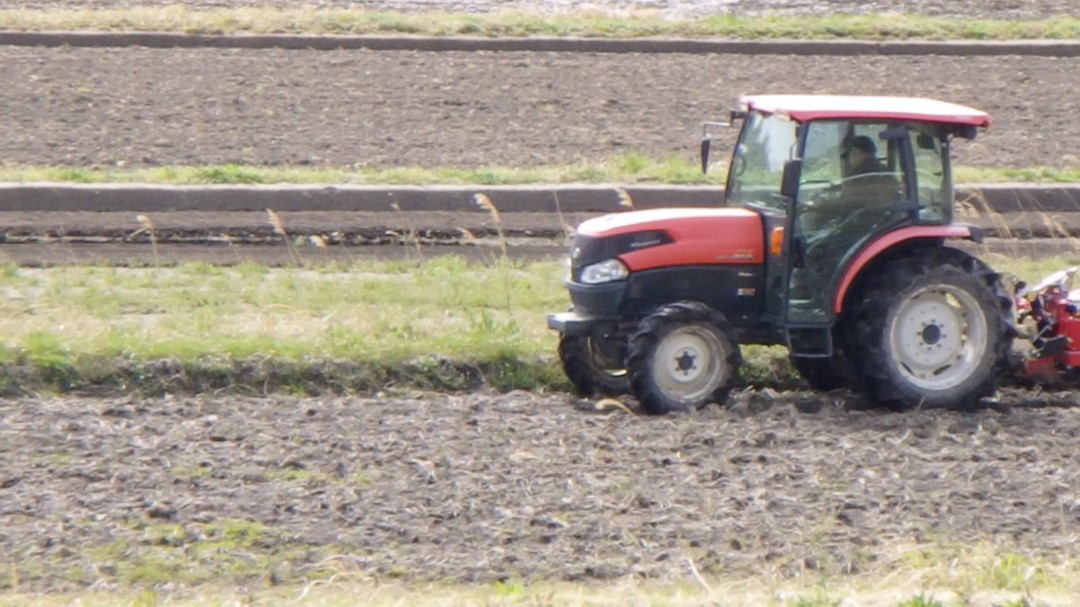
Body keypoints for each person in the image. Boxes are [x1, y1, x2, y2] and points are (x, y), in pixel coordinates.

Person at [837, 135, 902, 206]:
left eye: (849, 155)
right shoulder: (885, 173)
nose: (849, 160)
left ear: (857, 152)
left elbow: (846, 202)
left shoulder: (859, 177)